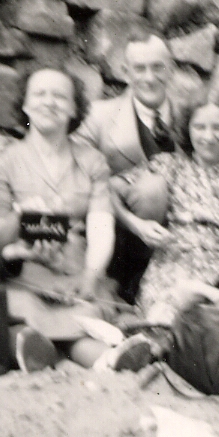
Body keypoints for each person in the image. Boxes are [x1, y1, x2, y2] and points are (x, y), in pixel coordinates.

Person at [0, 68, 153, 372]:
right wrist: (19, 217)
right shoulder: (2, 163)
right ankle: (39, 351)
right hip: (23, 272)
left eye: (60, 96)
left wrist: (90, 276)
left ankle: (105, 360)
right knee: (22, 318)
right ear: (25, 105)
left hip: (75, 273)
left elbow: (100, 227)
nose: (49, 102)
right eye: (39, 94)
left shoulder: (91, 161)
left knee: (83, 317)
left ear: (74, 108)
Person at [112, 96, 219, 326]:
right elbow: (108, 190)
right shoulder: (169, 165)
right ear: (187, 129)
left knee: (207, 322)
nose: (208, 137)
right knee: (163, 319)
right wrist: (137, 225)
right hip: (169, 264)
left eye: (218, 128)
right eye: (199, 127)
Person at [74, 35, 178, 305]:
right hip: (120, 233)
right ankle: (127, 285)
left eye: (158, 67)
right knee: (152, 188)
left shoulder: (191, 115)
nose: (149, 78)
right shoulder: (98, 115)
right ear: (125, 72)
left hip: (179, 232)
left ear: (171, 69)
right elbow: (82, 177)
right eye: (139, 68)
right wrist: (134, 223)